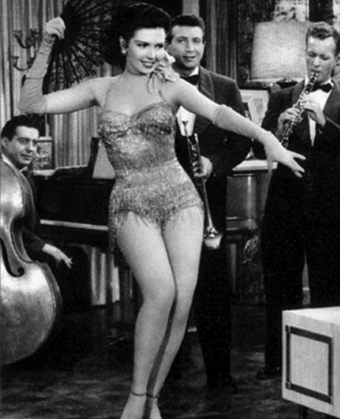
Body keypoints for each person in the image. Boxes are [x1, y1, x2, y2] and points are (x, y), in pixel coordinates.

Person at [19, 4, 304, 419]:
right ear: (124, 45)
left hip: (180, 196)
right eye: (143, 45)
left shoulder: (171, 85)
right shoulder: (101, 88)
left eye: (158, 45)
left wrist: (268, 139)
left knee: (182, 301)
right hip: (131, 199)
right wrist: (46, 44)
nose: (153, 54)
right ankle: (137, 397)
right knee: (160, 291)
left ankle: (152, 400)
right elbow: (32, 101)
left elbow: (220, 113)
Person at [256, 22, 340, 381]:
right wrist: (277, 130)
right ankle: (277, 361)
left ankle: (328, 361)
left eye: (324, 57)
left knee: (329, 283)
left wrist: (324, 122)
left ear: (336, 60)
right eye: (311, 55)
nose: (316, 63)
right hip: (284, 201)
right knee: (280, 282)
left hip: (327, 203)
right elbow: (258, 146)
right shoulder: (282, 96)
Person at [166, 14, 251, 394]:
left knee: (213, 289)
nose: (190, 48)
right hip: (165, 199)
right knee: (166, 288)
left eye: (197, 41)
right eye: (182, 41)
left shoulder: (225, 87)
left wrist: (214, 163)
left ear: (204, 44)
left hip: (208, 200)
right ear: (169, 45)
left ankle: (219, 375)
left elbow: (243, 142)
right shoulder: (152, 85)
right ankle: (165, 375)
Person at [1, 115, 91, 313]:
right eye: (23, 141)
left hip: (20, 245)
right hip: (8, 250)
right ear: (5, 142)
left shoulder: (22, 175)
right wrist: (45, 247)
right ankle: (58, 324)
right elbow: (6, 226)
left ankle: (70, 323)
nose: (30, 149)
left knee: (76, 257)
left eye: (34, 143)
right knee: (66, 261)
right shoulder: (3, 176)